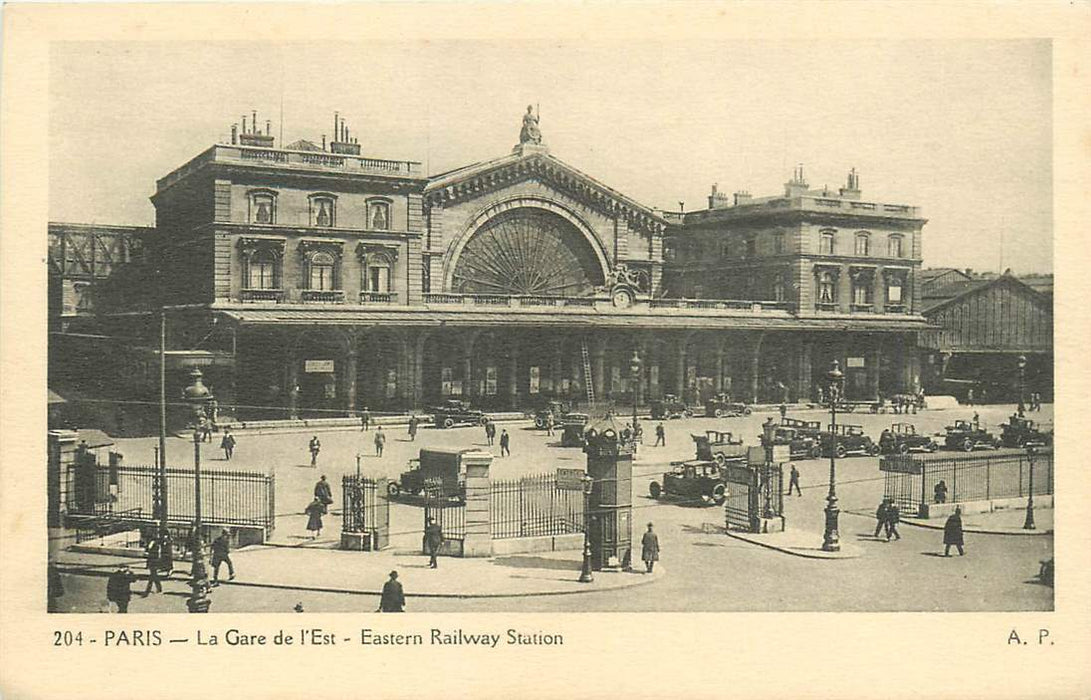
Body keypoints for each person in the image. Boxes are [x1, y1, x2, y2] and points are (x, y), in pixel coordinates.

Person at [143, 528, 171, 596]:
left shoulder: (156, 543)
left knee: (152, 575)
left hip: (154, 561)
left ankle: (148, 590)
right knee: (154, 575)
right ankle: (159, 588)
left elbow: (157, 552)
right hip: (151, 560)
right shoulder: (152, 543)